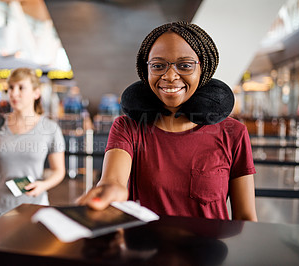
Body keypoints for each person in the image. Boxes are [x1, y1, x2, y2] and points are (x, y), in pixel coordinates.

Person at [78, 21, 258, 221]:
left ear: (203, 69)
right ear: (146, 71)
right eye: (158, 66)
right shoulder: (128, 127)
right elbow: (113, 181)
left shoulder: (233, 133)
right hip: (147, 250)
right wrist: (107, 192)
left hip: (209, 251)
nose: (170, 76)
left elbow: (245, 216)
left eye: (185, 66)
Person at [0, 68, 66, 217]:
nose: (13, 93)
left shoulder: (50, 129)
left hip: (34, 208)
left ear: (36, 93)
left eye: (21, 88)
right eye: (11, 87)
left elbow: (59, 171)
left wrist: (43, 185)